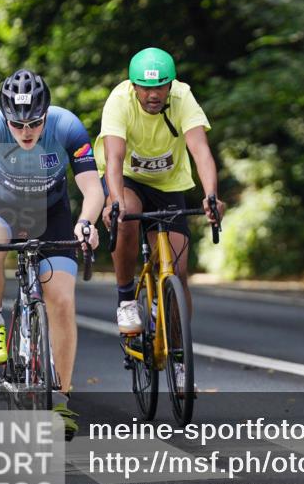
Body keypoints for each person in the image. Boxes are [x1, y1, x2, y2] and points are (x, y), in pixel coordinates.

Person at [0, 68, 104, 438]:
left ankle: (61, 402)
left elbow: (92, 189)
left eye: (35, 123)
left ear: (47, 114)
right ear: (5, 118)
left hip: (51, 212)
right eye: (18, 124)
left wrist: (87, 223)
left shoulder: (68, 127)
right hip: (1, 208)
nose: (26, 131)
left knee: (61, 301)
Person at [96, 47, 223, 338]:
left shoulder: (182, 97)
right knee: (125, 218)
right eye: (145, 88)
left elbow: (201, 151)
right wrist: (115, 201)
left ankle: (178, 355)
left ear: (170, 85)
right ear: (134, 86)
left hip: (168, 184)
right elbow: (113, 159)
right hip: (127, 178)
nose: (153, 95)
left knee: (177, 272)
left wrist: (211, 196)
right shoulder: (119, 100)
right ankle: (127, 299)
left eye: (160, 88)